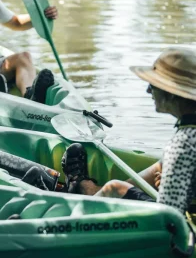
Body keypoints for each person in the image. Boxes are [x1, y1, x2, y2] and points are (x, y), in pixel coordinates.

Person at [62, 46, 196, 216]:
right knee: (160, 167)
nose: (148, 90)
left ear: (171, 93)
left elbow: (169, 216)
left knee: (115, 188)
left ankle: (79, 208)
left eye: (154, 85)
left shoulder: (183, 143)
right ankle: (92, 191)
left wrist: (168, 189)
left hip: (182, 231)